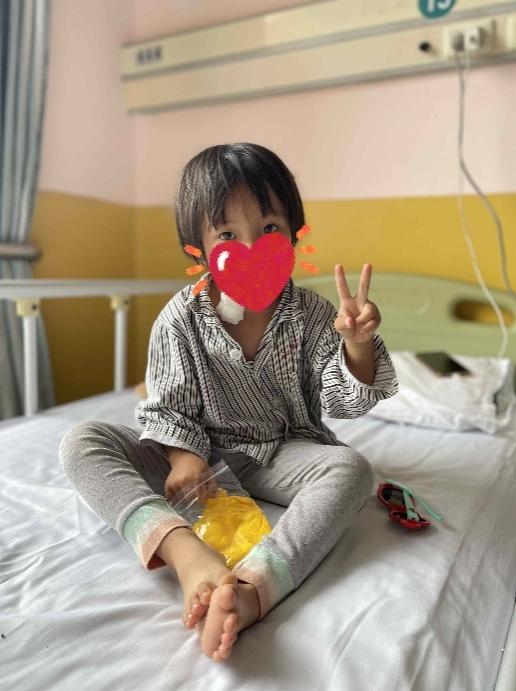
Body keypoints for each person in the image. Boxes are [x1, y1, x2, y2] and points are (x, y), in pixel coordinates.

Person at [59, 142, 398, 662]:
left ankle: (255, 586)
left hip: (280, 452)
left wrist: (355, 345)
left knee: (351, 468)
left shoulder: (311, 314)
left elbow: (341, 399)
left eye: (269, 227)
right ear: (197, 247)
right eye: (226, 235)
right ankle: (183, 552)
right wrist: (183, 457)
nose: (251, 246)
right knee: (83, 441)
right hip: (199, 461)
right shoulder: (180, 319)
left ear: (294, 231)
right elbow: (167, 407)